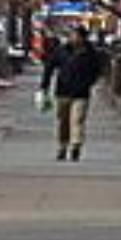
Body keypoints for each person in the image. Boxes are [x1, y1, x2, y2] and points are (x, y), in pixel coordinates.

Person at [40, 28, 103, 161]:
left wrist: (89, 83)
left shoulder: (91, 53)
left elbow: (97, 70)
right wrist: (44, 86)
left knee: (77, 120)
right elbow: (49, 67)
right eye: (71, 36)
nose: (73, 38)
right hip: (63, 91)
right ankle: (63, 145)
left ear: (83, 38)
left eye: (76, 36)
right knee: (63, 121)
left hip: (81, 93)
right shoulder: (62, 51)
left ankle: (75, 145)